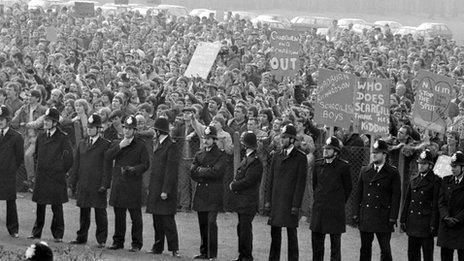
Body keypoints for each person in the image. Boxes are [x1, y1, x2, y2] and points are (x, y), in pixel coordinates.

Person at [105, 115, 149, 252]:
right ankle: (118, 242)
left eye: (130, 129)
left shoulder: (140, 145)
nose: (127, 131)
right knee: (119, 215)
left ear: (134, 130)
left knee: (135, 216)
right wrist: (119, 146)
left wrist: (134, 169)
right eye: (125, 128)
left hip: (133, 185)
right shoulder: (117, 142)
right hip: (119, 183)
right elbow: (107, 157)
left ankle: (136, 243)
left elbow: (146, 164)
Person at [353, 139, 401, 261]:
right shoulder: (365, 170)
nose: (374, 155)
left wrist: (393, 217)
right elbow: (358, 193)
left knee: (385, 249)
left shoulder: (392, 172)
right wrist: (355, 213)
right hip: (367, 215)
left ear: (384, 155)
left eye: (378, 152)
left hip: (383, 216)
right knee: (365, 248)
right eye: (373, 152)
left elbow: (396, 196)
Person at [30, 108, 73, 242]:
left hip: (56, 177)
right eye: (45, 120)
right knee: (40, 205)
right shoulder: (41, 136)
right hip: (42, 175)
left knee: (57, 206)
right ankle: (36, 232)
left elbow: (69, 159)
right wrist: (39, 168)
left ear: (55, 122)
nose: (46, 123)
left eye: (49, 120)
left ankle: (58, 235)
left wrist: (60, 170)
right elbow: (36, 155)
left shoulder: (63, 137)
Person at [265, 124, 308, 261]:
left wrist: (296, 205)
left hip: (290, 202)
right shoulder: (276, 155)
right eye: (281, 137)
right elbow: (270, 180)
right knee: (275, 234)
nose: (281, 140)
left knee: (291, 235)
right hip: (277, 201)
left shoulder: (301, 157)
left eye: (284, 138)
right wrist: (267, 200)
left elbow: (300, 184)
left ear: (292, 140)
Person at [68, 114, 111, 248]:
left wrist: (105, 184)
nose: (89, 129)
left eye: (92, 127)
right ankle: (81, 237)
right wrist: (72, 183)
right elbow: (76, 165)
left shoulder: (105, 144)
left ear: (99, 129)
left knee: (100, 212)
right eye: (88, 127)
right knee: (84, 212)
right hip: (84, 183)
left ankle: (101, 239)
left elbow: (107, 167)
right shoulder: (82, 143)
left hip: (98, 184)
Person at [311, 136, 352, 261]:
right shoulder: (318, 165)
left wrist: (338, 202)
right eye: (325, 148)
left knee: (335, 245)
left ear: (336, 152)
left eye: (329, 149)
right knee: (317, 245)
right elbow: (315, 185)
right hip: (319, 209)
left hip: (335, 210)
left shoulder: (343, 167)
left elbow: (348, 188)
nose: (325, 151)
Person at [190, 125, 226, 260]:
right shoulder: (199, 153)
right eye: (205, 138)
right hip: (201, 193)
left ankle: (212, 254)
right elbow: (192, 171)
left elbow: (217, 172)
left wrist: (201, 170)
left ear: (214, 140)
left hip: (213, 193)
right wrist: (205, 170)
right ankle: (204, 251)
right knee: (202, 223)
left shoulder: (220, 155)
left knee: (211, 223)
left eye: (209, 138)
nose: (206, 141)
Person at [146, 117, 180, 257]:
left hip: (165, 188)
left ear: (159, 131)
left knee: (167, 220)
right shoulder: (158, 144)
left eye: (155, 130)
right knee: (157, 219)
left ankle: (174, 248)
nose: (154, 133)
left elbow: (170, 170)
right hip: (155, 186)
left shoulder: (171, 146)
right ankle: (157, 246)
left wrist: (166, 190)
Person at [400, 149, 441, 261]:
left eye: (424, 164)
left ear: (430, 166)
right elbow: (407, 201)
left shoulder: (436, 181)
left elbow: (436, 204)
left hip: (426, 223)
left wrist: (433, 223)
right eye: (419, 163)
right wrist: (403, 219)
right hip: (413, 221)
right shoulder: (414, 180)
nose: (421, 166)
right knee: (412, 253)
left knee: (427, 254)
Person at [229, 131, 263, 261]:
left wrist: (234, 185)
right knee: (241, 228)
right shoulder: (247, 159)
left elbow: (249, 180)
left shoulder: (255, 161)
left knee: (245, 229)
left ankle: (247, 256)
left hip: (248, 200)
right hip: (242, 199)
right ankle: (242, 255)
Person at [0, 105, 24, 238]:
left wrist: (11, 169)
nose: (0, 121)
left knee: (10, 201)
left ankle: (13, 229)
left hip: (8, 174)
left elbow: (19, 157)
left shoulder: (16, 137)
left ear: (8, 120)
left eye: (2, 119)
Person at [437, 151, 464, 261]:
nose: (452, 169)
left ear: (463, 167)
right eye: (451, 166)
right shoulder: (446, 180)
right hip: (446, 225)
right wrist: (446, 217)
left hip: (461, 226)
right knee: (445, 257)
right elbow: (441, 201)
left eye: (455, 166)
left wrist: (457, 219)